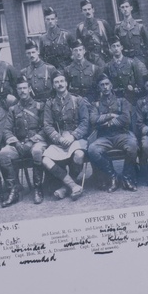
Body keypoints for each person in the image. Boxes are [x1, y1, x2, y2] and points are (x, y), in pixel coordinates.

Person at [42, 71, 91, 200]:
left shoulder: (77, 100)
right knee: (45, 160)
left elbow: (85, 122)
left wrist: (73, 136)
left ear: (67, 83)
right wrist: (58, 138)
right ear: (53, 85)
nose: (60, 84)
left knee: (79, 155)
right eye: (56, 82)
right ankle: (73, 185)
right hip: (59, 141)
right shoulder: (50, 103)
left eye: (62, 81)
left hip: (76, 139)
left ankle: (65, 188)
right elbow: (47, 125)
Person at [0, 77, 47, 206]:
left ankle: (38, 188)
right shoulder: (13, 109)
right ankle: (13, 190)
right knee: (4, 153)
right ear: (16, 91)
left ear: (30, 89)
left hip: (36, 142)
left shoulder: (40, 107)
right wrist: (15, 143)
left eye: (25, 88)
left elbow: (46, 128)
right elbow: (6, 130)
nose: (22, 91)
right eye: (19, 89)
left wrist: (31, 141)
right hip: (19, 144)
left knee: (37, 151)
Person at [87, 73, 138, 192]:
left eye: (107, 84)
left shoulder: (122, 101)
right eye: (102, 85)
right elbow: (93, 120)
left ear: (111, 85)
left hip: (121, 134)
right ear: (99, 87)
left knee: (132, 145)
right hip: (104, 137)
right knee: (92, 150)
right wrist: (111, 115)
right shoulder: (96, 104)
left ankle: (126, 177)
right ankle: (112, 176)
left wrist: (107, 122)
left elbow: (126, 119)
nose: (105, 87)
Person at [104, 35, 147, 104]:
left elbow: (140, 83)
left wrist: (135, 90)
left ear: (122, 47)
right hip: (115, 100)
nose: (116, 48)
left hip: (131, 99)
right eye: (113, 46)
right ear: (110, 49)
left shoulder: (131, 63)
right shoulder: (108, 66)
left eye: (118, 46)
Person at [114, 0, 148, 66]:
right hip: (125, 59)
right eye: (122, 7)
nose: (125, 9)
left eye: (127, 6)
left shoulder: (140, 26)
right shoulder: (118, 28)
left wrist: (145, 58)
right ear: (120, 9)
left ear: (131, 8)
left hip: (139, 59)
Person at [75, 0, 111, 68]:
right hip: (89, 61)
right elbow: (79, 45)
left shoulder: (102, 23)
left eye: (89, 9)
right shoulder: (80, 27)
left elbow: (112, 40)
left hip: (104, 58)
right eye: (85, 10)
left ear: (93, 10)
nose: (87, 12)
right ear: (81, 12)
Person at [19, 39, 57, 103]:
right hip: (32, 105)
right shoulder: (24, 72)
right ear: (26, 54)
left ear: (38, 52)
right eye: (29, 53)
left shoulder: (50, 68)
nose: (31, 55)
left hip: (49, 103)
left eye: (33, 52)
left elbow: (57, 89)